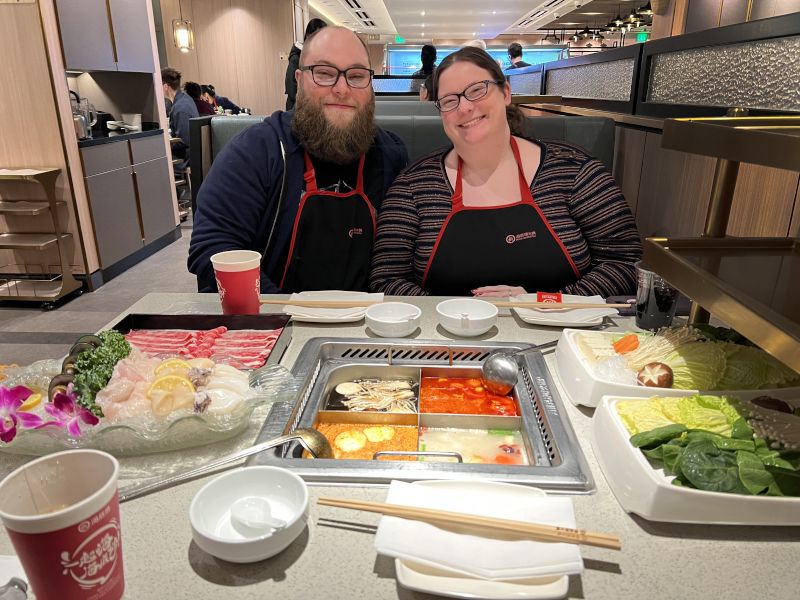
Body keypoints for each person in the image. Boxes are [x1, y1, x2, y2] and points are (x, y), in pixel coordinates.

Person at [370, 47, 642, 298]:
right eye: (450, 100)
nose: (465, 107)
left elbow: (624, 263)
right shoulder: (414, 185)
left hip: (564, 339)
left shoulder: (574, 171)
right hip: (446, 343)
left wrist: (540, 304)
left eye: (477, 90)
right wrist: (457, 314)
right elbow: (386, 278)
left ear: (506, 93)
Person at [189, 26, 409, 294]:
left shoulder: (390, 155)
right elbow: (214, 249)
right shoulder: (256, 151)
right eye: (325, 73)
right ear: (299, 79)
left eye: (356, 76)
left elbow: (405, 257)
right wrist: (288, 315)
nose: (342, 89)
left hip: (368, 327)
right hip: (274, 324)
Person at [285, 18, 327, 111]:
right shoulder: (297, 58)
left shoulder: (319, 56)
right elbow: (291, 89)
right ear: (308, 36)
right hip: (298, 107)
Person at [161, 67, 199, 171]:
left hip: (185, 157)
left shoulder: (180, 108)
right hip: (191, 152)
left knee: (158, 161)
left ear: (165, 86)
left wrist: (167, 144)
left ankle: (174, 188)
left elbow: (184, 140)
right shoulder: (186, 99)